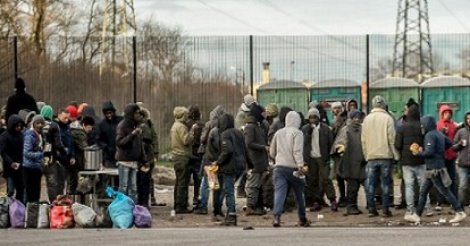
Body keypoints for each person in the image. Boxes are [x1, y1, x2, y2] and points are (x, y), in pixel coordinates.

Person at [414, 115, 467, 223]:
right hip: (436, 167)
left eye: (423, 125)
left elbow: (429, 152)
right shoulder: (439, 134)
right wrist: (460, 145)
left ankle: (459, 211)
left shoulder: (429, 135)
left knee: (445, 191)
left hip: (434, 169)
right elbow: (450, 145)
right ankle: (417, 214)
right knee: (423, 191)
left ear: (427, 124)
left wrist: (419, 153)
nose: (422, 127)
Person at [270, 111, 311, 227]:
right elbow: (297, 151)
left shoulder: (278, 133)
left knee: (279, 193)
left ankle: (276, 218)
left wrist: (276, 158)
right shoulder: (298, 133)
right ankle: (302, 218)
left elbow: (272, 152)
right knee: (299, 194)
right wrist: (300, 166)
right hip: (294, 169)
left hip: (279, 168)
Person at [361, 95, 400, 217]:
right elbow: (392, 139)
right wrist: (396, 155)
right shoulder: (388, 118)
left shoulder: (366, 119)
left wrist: (366, 154)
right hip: (386, 156)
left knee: (371, 183)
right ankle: (385, 209)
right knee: (385, 184)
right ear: (384, 104)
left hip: (371, 156)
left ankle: (371, 209)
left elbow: (363, 140)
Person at [394, 105, 432, 221]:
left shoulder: (402, 127)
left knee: (409, 185)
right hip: (420, 159)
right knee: (423, 184)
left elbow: (397, 144)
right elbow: (427, 142)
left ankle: (410, 209)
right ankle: (427, 207)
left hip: (406, 161)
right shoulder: (422, 127)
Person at [212, 113, 247, 226]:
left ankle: (231, 214)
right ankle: (222, 211)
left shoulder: (225, 134)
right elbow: (244, 149)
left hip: (229, 166)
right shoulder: (238, 133)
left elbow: (228, 150)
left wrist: (218, 162)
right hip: (241, 165)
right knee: (228, 189)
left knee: (229, 191)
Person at [302, 108, 336, 212]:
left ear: (318, 118)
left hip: (322, 158)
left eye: (315, 117)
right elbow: (303, 143)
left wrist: (329, 157)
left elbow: (331, 143)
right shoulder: (305, 129)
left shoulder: (325, 129)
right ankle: (316, 201)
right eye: (311, 117)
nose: (313, 120)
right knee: (313, 181)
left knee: (326, 179)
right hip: (311, 158)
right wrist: (309, 132)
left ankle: (333, 200)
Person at [333, 110, 366, 215]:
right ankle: (351, 207)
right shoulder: (345, 130)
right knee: (352, 186)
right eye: (354, 117)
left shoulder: (363, 129)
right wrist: (341, 148)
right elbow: (338, 144)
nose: (357, 119)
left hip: (361, 161)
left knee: (362, 184)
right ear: (351, 118)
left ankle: (368, 205)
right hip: (349, 161)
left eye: (358, 117)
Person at [194, 105, 225, 218]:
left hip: (209, 156)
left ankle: (203, 205)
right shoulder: (225, 126)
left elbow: (203, 139)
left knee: (206, 183)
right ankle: (217, 207)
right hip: (220, 158)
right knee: (217, 184)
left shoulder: (209, 124)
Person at [115, 103, 144, 203]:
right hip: (124, 161)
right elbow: (119, 142)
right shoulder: (122, 126)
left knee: (133, 189)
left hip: (134, 161)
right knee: (123, 187)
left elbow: (140, 144)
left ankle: (132, 209)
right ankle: (121, 209)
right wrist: (132, 135)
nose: (138, 115)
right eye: (136, 113)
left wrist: (143, 158)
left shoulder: (136, 126)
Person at [244, 104, 269, 216]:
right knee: (253, 185)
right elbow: (249, 143)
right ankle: (250, 206)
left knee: (257, 185)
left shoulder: (257, 125)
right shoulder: (250, 127)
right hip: (255, 160)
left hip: (259, 159)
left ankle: (256, 206)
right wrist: (263, 147)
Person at [40, 105, 67, 203]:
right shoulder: (54, 125)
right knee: (52, 183)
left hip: (37, 158)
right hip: (51, 159)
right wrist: (64, 153)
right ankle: (53, 205)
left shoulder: (36, 123)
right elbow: (58, 144)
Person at [170, 106, 194, 213]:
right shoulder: (181, 127)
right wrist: (192, 132)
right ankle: (181, 206)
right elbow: (186, 140)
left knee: (179, 181)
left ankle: (177, 204)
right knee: (183, 182)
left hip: (176, 156)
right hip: (183, 156)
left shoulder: (175, 126)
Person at [136, 104, 160, 207]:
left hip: (145, 156)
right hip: (146, 156)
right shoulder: (147, 124)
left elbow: (151, 139)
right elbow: (154, 138)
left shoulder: (144, 125)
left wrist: (155, 152)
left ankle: (144, 201)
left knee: (144, 180)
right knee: (145, 180)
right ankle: (146, 201)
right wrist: (155, 152)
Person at [435, 104, 459, 206]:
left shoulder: (454, 125)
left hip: (451, 156)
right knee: (441, 179)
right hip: (441, 156)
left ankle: (453, 200)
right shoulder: (438, 125)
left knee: (452, 179)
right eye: (445, 113)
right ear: (441, 114)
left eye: (449, 113)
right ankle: (440, 201)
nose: (448, 114)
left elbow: (455, 139)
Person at [0, 115, 25, 203]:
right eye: (17, 126)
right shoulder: (4, 136)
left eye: (20, 126)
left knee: (21, 190)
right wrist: (11, 163)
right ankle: (9, 208)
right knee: (10, 190)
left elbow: (24, 151)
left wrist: (20, 163)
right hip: (9, 168)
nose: (19, 128)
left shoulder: (21, 135)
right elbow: (3, 152)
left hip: (20, 167)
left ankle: (20, 209)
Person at [23, 115, 46, 203]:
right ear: (33, 124)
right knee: (29, 194)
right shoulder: (29, 135)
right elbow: (26, 153)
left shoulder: (41, 135)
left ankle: (34, 213)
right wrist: (41, 155)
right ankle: (27, 213)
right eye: (38, 123)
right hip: (29, 168)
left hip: (37, 167)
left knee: (36, 194)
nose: (40, 125)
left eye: (41, 123)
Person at [70, 116, 95, 195]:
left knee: (74, 183)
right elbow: (84, 147)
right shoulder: (80, 134)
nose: (90, 130)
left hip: (75, 161)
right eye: (89, 127)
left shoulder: (76, 131)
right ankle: (76, 200)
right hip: (77, 162)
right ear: (84, 125)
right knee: (76, 183)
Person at [186, 105, 205, 208]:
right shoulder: (202, 125)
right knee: (198, 178)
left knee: (186, 179)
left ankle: (185, 200)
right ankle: (196, 198)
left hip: (188, 153)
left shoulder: (185, 124)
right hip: (199, 154)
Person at [330, 101, 348, 208]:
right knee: (339, 176)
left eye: (338, 108)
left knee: (348, 175)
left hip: (346, 152)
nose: (337, 110)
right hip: (337, 153)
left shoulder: (347, 122)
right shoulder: (333, 122)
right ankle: (342, 196)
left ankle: (347, 197)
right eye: (335, 108)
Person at [97, 101, 123, 168]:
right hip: (109, 156)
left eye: (110, 113)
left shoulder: (121, 121)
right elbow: (99, 140)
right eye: (106, 113)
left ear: (114, 112)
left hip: (122, 154)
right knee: (109, 174)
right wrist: (106, 147)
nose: (109, 115)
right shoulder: (102, 124)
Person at [452, 112, 470, 205]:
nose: (469, 120)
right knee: (462, 186)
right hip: (463, 164)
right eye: (468, 119)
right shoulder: (461, 132)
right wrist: (460, 144)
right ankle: (460, 206)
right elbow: (453, 147)